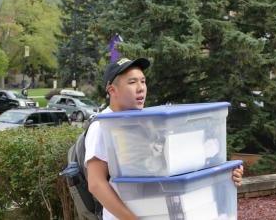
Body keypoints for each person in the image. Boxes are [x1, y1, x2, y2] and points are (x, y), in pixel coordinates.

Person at [84, 57, 244, 220]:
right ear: (112, 90)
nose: (141, 88)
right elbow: (96, 184)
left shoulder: (143, 122)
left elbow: (172, 168)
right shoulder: (101, 127)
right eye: (132, 82)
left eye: (143, 81)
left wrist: (227, 176)